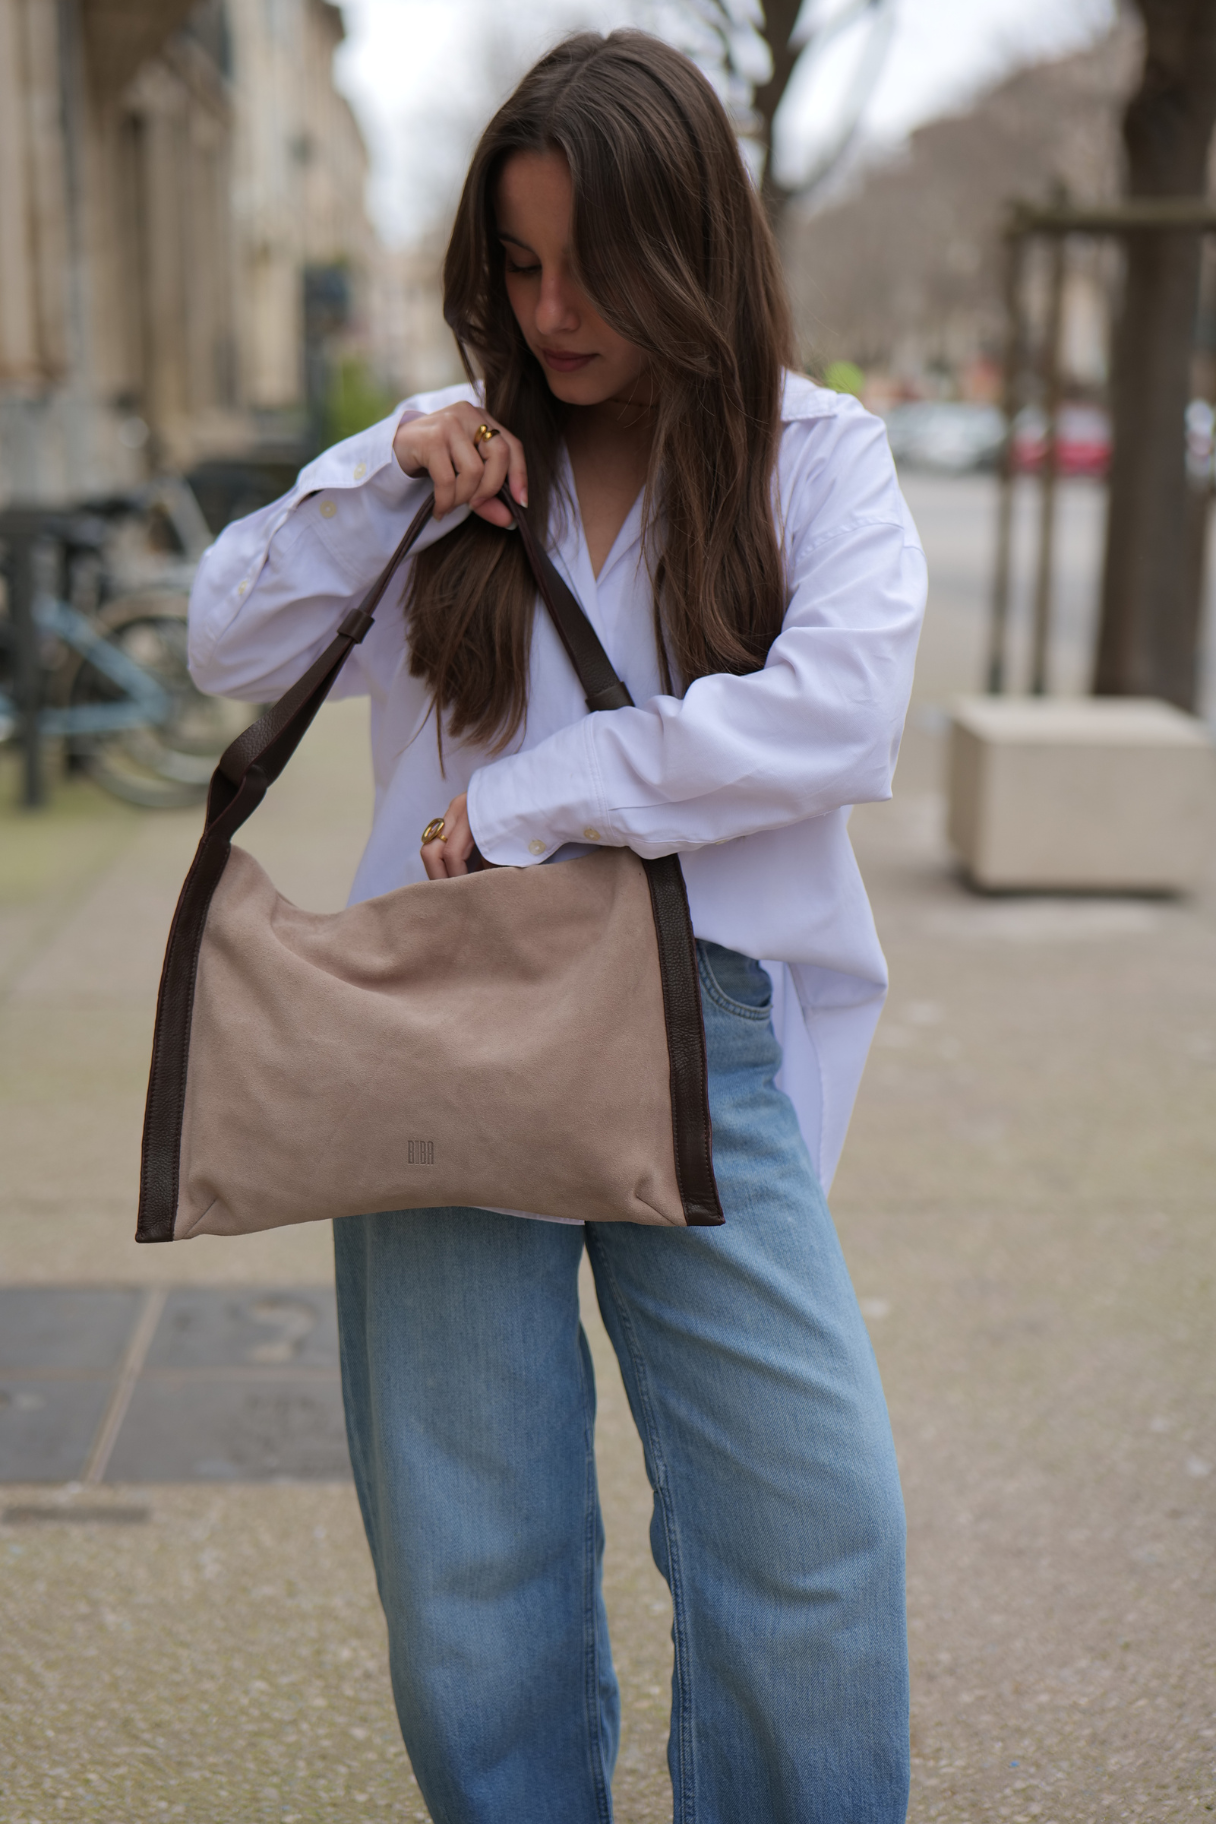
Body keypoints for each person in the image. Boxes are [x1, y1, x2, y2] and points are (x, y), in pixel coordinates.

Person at [187, 29, 925, 1824]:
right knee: (474, 1575)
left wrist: (538, 795)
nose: (553, 310)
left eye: (591, 263)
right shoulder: (451, 468)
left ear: (692, 242)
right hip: (435, 1042)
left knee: (815, 1528)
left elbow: (840, 714)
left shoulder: (814, 459)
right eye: (518, 265)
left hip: (699, 1029)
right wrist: (388, 464)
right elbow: (227, 644)